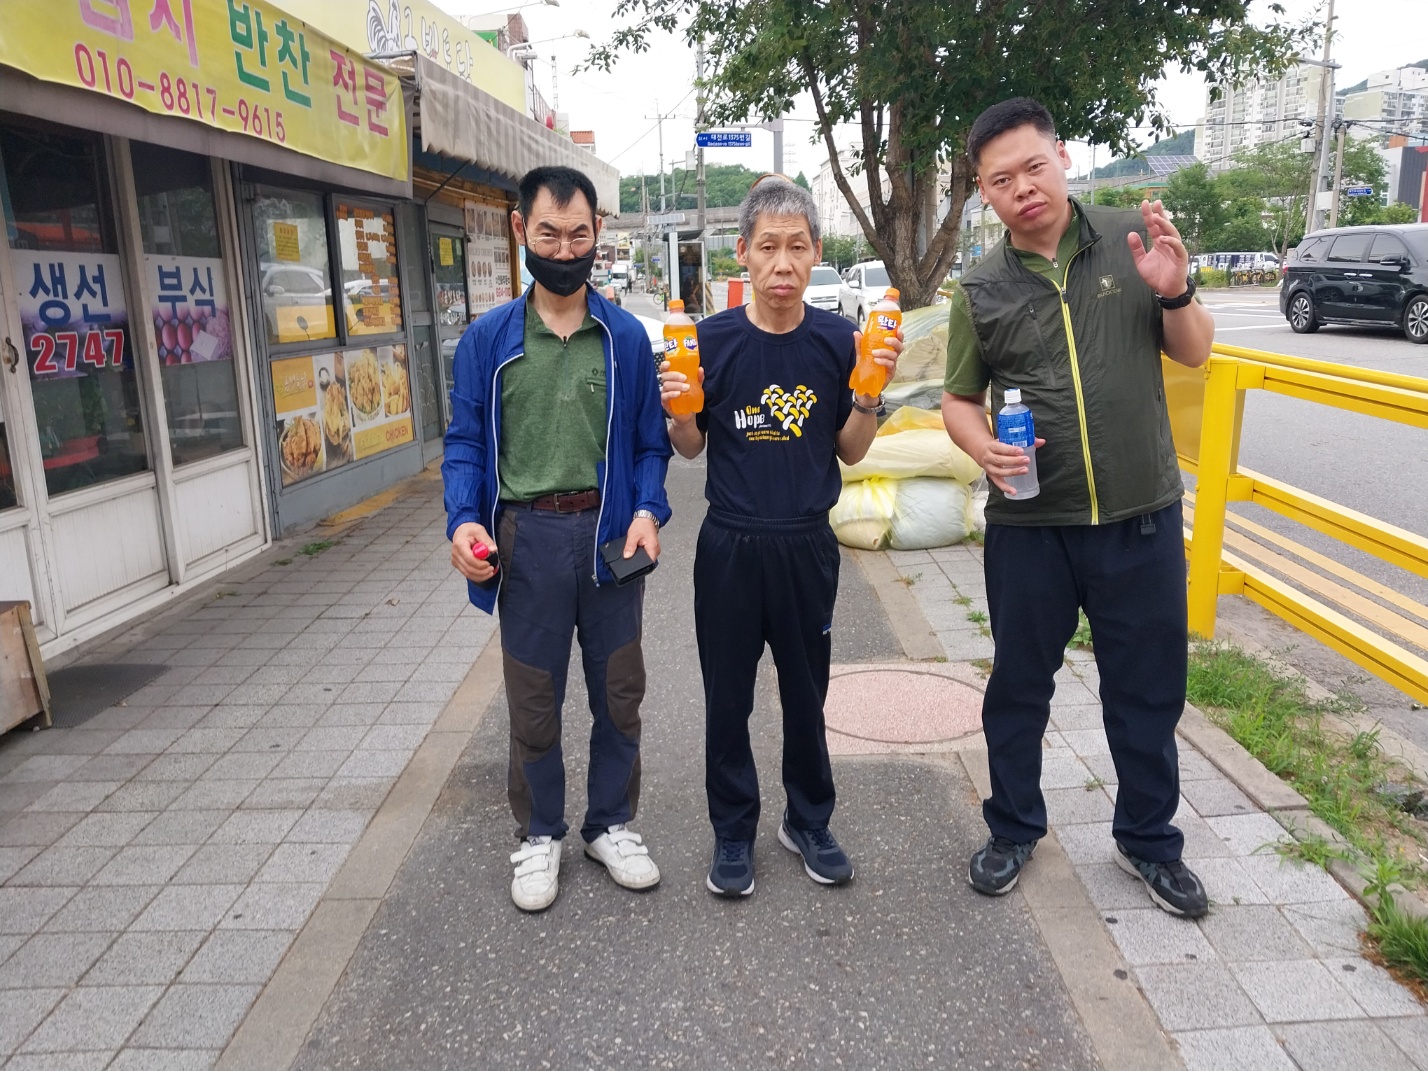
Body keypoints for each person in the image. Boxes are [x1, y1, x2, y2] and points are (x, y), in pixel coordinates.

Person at [941, 98, 1215, 917]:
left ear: (1061, 157)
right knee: (1020, 688)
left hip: (1141, 517)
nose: (1023, 188)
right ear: (984, 192)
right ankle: (1013, 828)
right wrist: (983, 448)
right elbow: (959, 399)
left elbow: (1195, 352)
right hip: (1031, 529)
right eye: (1001, 180)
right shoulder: (979, 288)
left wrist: (1175, 291)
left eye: (1034, 166)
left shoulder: (1134, 240)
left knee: (1147, 689)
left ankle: (1149, 840)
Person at [661, 175, 901, 897]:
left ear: (817, 252)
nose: (783, 263)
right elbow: (690, 448)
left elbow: (850, 451)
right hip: (730, 545)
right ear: (743, 253)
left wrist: (869, 394)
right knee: (727, 698)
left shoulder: (838, 341)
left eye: (797, 247)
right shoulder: (709, 342)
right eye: (768, 247)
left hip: (806, 545)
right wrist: (679, 410)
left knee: (806, 695)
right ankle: (733, 831)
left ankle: (808, 819)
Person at [443, 166, 673, 913]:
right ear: (521, 230)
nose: (565, 250)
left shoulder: (625, 338)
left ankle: (610, 824)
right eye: (549, 234)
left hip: (612, 537)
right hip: (527, 538)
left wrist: (649, 510)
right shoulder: (488, 341)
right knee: (533, 699)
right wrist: (463, 519)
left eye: (578, 235)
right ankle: (540, 830)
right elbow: (465, 443)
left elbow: (650, 445)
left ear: (598, 232)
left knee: (620, 692)